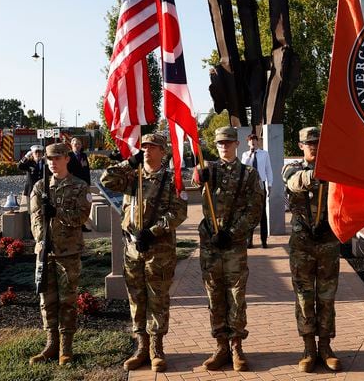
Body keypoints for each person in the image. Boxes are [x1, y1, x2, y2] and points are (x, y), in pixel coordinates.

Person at [100, 133, 187, 372]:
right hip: (132, 249)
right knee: (136, 299)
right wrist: (129, 162)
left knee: (157, 298)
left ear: (163, 151)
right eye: (145, 147)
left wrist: (152, 232)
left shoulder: (171, 180)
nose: (147, 150)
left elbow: (178, 212)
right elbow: (106, 180)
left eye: (152, 147)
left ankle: (156, 349)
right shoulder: (132, 176)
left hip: (158, 249)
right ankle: (141, 347)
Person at [193, 126, 263, 372]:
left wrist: (233, 233)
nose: (224, 146)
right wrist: (198, 176)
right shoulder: (207, 170)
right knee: (214, 295)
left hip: (233, 245)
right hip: (211, 245)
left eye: (229, 142)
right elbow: (191, 181)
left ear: (237, 144)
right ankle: (220, 346)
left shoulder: (249, 173)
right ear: (216, 145)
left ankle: (236, 347)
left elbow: (255, 208)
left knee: (236, 296)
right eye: (221, 143)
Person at [281, 126, 342, 373]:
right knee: (304, 297)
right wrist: (319, 173)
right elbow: (294, 183)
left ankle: (325, 347)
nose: (314, 146)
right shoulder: (292, 168)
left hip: (328, 240)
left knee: (326, 297)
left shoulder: (334, 169)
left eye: (317, 142)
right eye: (309, 143)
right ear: (300, 146)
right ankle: (308, 348)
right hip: (302, 243)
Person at [29, 143, 91, 366]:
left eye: (57, 158)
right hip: (46, 252)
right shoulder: (39, 187)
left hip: (68, 252)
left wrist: (59, 213)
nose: (53, 163)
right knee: (47, 301)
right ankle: (51, 345)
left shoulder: (79, 186)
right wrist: (41, 239)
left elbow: (82, 216)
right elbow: (35, 218)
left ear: (67, 158)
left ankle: (66, 347)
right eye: (49, 159)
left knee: (67, 301)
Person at [240, 133, 273, 248]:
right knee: (249, 212)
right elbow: (243, 168)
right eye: (250, 141)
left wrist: (270, 184)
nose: (253, 142)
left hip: (261, 183)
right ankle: (250, 241)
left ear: (258, 141)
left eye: (254, 140)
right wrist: (250, 155)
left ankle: (264, 240)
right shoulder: (245, 155)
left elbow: (268, 169)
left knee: (262, 212)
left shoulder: (264, 154)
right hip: (249, 184)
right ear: (248, 142)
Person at [67, 137, 92, 232]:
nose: (77, 146)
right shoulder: (69, 156)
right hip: (73, 184)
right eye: (75, 144)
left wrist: (88, 183)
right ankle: (74, 226)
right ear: (71, 145)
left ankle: (82, 225)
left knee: (83, 205)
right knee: (73, 206)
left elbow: (86, 170)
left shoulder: (83, 155)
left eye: (79, 144)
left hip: (84, 185)